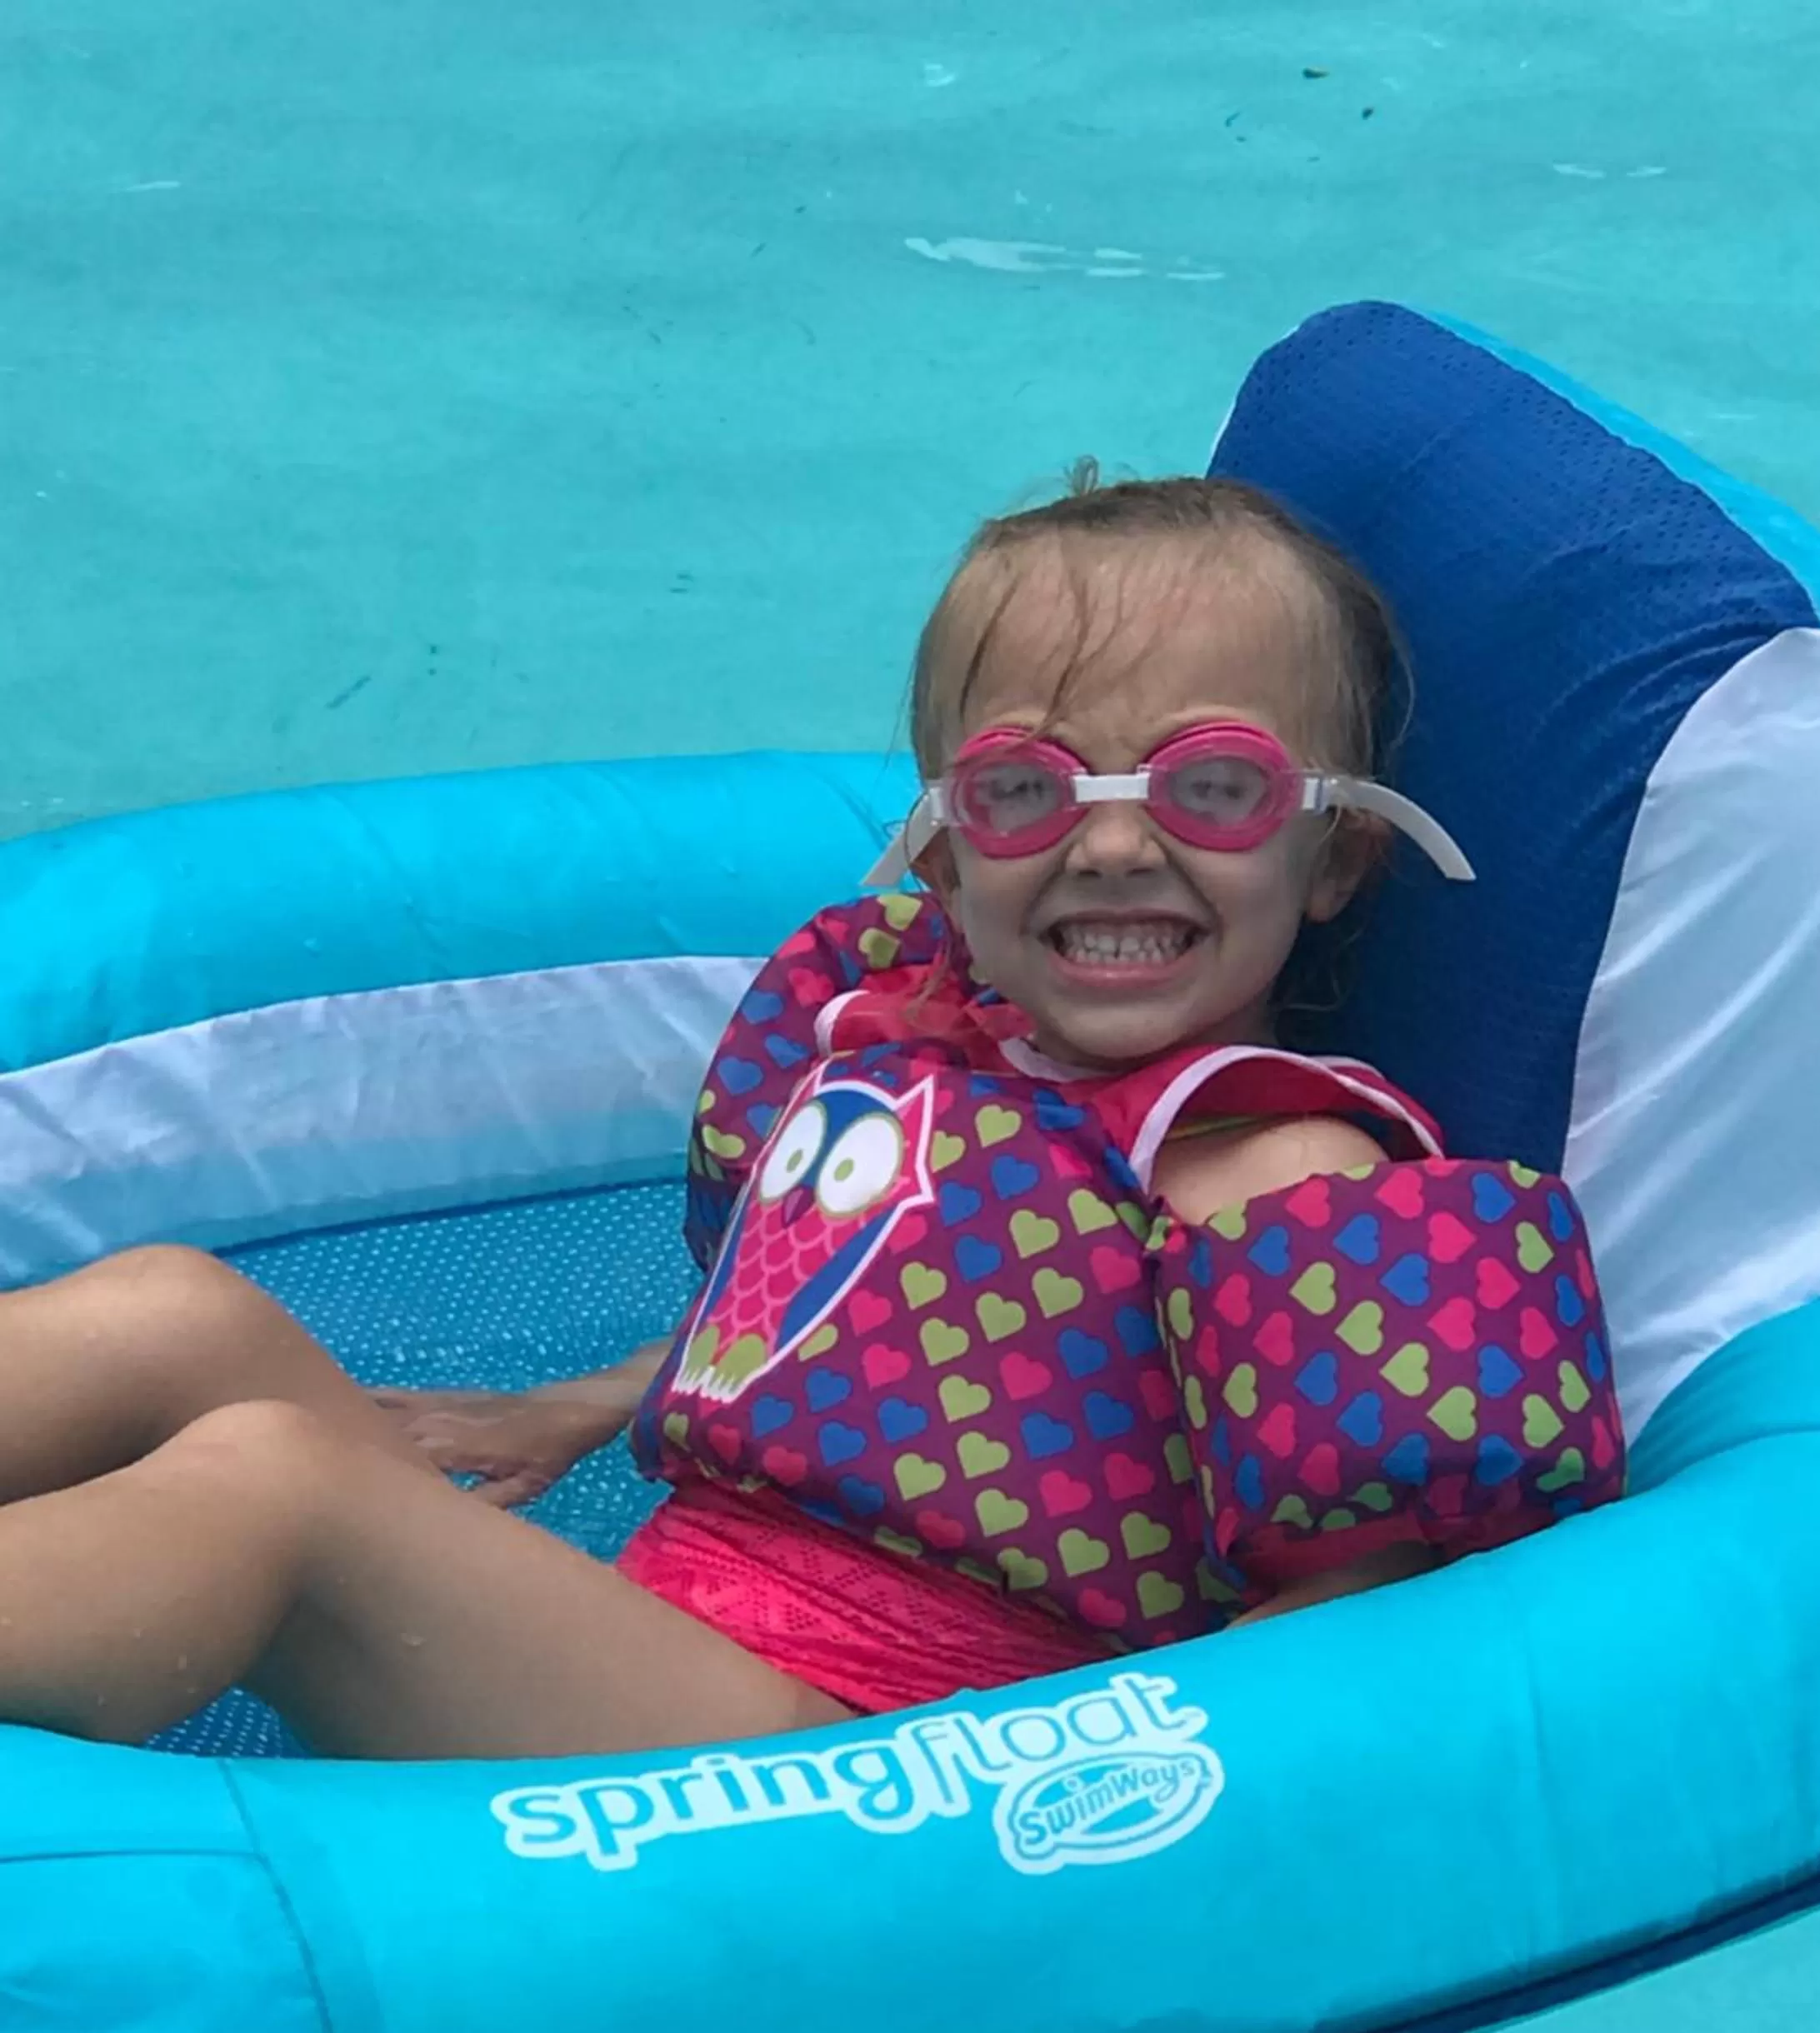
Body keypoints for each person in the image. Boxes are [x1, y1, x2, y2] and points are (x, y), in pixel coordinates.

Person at [0, 475, 1623, 1759]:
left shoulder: (1271, 1171)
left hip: (838, 1762)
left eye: (1210, 790)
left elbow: (1363, 1617)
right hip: (669, 1642)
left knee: (282, 1489)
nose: (1116, 849)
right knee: (176, 1312)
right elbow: (877, 1322)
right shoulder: (919, 1042)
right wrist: (577, 1405)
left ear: (1334, 858)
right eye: (1025, 790)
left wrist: (1033, 1824)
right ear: (938, 850)